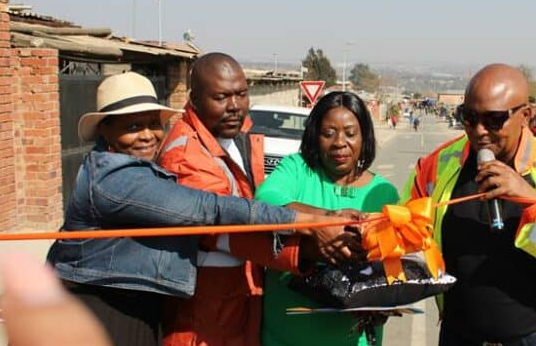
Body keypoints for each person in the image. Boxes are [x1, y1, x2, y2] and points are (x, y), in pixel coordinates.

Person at [45, 71, 347, 346]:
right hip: (104, 308)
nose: (148, 135)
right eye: (133, 127)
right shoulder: (117, 176)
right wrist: (307, 224)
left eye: (154, 124)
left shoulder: (139, 166)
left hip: (139, 304)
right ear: (105, 131)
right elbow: (210, 210)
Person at [402, 64, 536, 346]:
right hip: (458, 335)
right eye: (468, 118)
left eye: (494, 119)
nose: (480, 131)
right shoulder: (436, 165)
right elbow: (403, 236)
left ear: (526, 116)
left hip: (534, 338)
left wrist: (531, 202)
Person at [157, 53, 348, 346]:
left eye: (241, 94)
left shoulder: (235, 136)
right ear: (194, 99)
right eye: (222, 97)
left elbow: (257, 208)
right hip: (204, 319)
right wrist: (311, 243)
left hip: (237, 303)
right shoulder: (186, 155)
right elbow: (225, 230)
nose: (235, 106)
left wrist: (327, 218)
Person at [257, 91, 400, 346]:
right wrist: (325, 222)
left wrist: (389, 299)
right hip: (286, 335)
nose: (339, 143)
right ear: (315, 135)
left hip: (353, 338)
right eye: (329, 133)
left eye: (350, 133)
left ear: (365, 136)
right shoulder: (296, 169)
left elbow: (394, 264)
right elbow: (265, 199)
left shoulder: (384, 193)